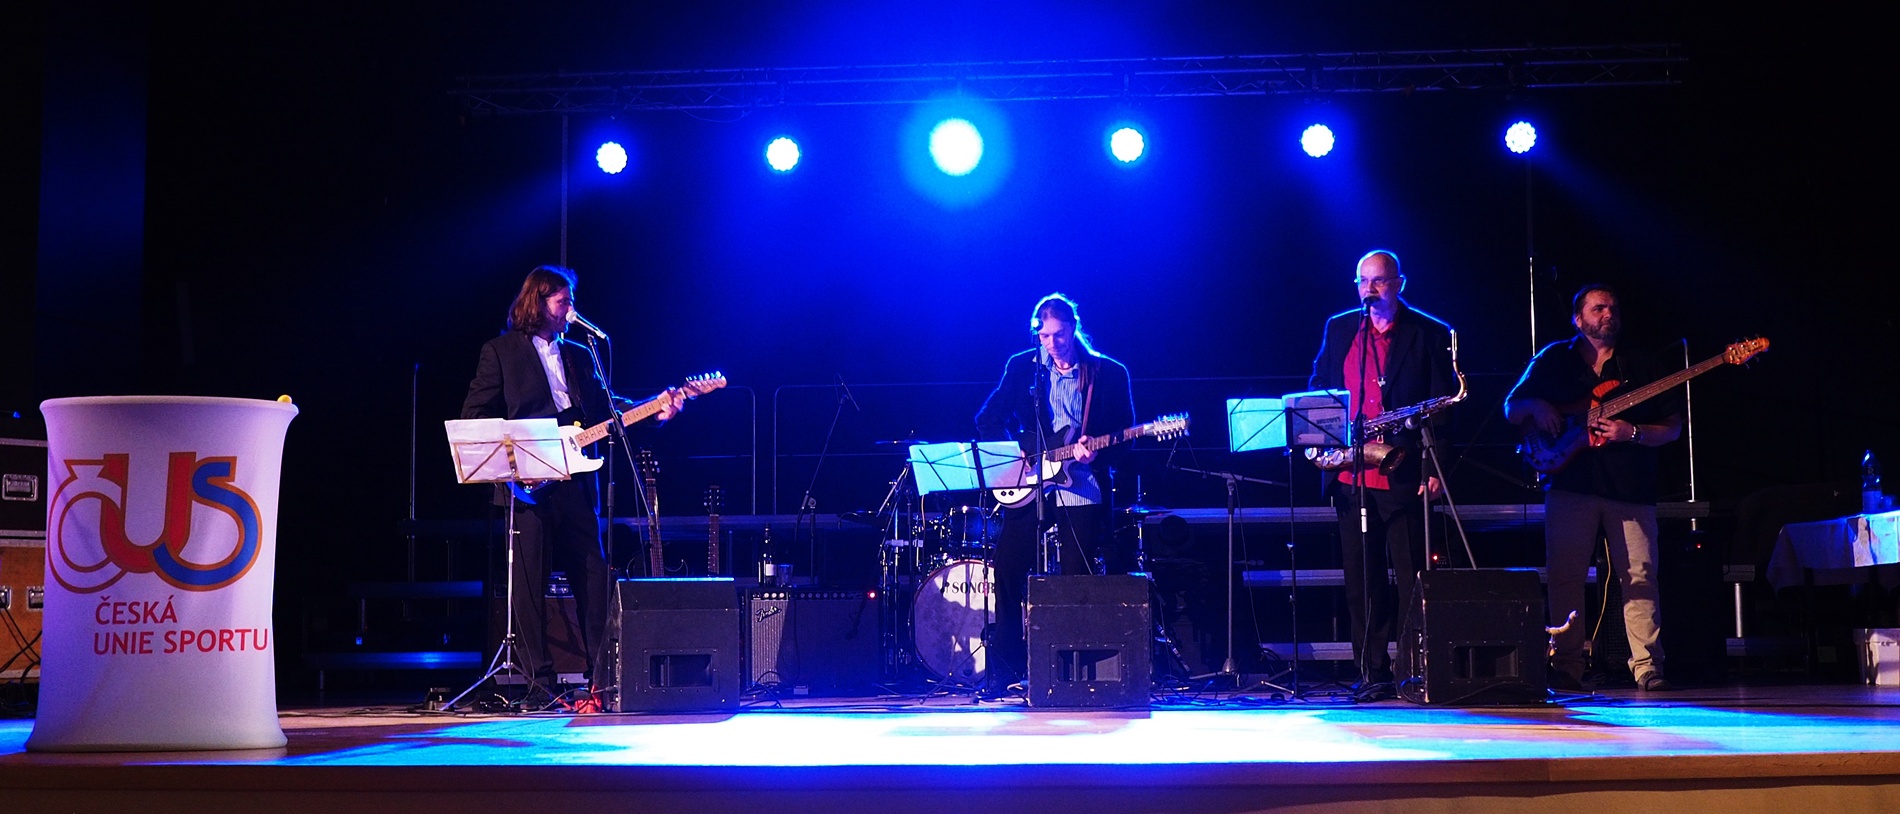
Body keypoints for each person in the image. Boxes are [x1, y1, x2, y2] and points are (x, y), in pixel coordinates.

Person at [460, 265, 682, 703]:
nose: (570, 310)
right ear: (538, 303)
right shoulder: (501, 352)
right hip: (529, 484)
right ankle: (538, 682)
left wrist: (656, 408)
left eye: (571, 302)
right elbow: (474, 415)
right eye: (563, 302)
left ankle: (603, 678)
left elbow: (609, 412)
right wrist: (521, 455)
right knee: (529, 584)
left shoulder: (581, 354)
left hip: (577, 483)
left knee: (594, 577)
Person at [1505, 284, 1680, 692]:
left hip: (1631, 487)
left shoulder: (1642, 363)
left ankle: (1647, 667)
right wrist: (1537, 405)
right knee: (1565, 577)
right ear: (1578, 318)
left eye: (1613, 308)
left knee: (1639, 577)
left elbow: (1672, 428)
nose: (1608, 314)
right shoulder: (1554, 358)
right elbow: (1511, 407)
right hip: (1570, 484)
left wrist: (1631, 432)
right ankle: (1566, 664)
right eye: (1599, 308)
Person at [1307, 250, 1456, 700]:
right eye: (1363, 281)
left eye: (1379, 281)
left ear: (1399, 283)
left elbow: (1443, 407)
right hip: (1351, 473)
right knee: (1361, 579)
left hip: (1404, 469)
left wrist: (1435, 467)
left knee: (1411, 577)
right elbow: (1319, 387)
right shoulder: (1339, 328)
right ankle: (1371, 671)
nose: (1370, 290)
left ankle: (1413, 669)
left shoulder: (1428, 331)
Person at [975, 293, 1136, 693]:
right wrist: (1024, 450)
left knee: (1075, 578)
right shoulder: (1023, 368)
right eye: (1045, 336)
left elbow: (1127, 436)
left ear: (1074, 329)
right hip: (1032, 482)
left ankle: (1071, 672)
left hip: (1081, 483)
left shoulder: (1107, 373)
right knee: (1007, 567)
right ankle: (1007, 669)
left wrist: (1096, 452)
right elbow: (987, 419)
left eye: (1059, 334)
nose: (1053, 343)